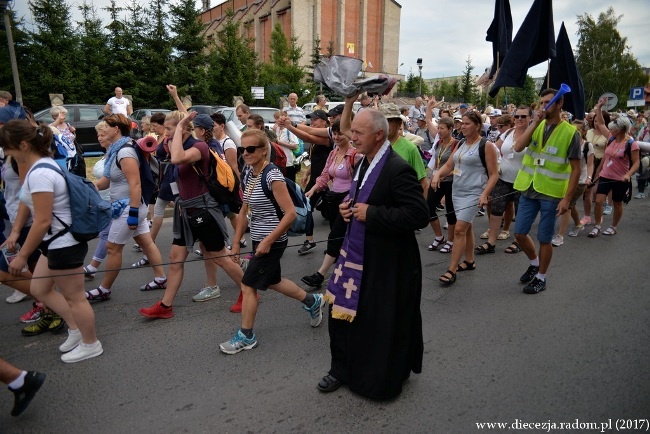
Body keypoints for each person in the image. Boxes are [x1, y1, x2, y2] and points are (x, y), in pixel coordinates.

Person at [318, 108, 429, 399]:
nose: (351, 136)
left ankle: (377, 379)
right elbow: (360, 198)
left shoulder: (397, 168)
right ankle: (341, 369)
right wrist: (347, 207)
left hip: (387, 262)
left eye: (358, 133)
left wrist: (374, 214)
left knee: (378, 323)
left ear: (378, 135)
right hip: (356, 256)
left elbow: (419, 214)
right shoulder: (363, 163)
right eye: (351, 131)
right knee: (340, 315)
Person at [0, 120, 103, 362]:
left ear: (23, 145)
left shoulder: (41, 174)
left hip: (63, 242)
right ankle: (76, 330)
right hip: (54, 242)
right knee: (39, 289)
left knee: (75, 297)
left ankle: (91, 343)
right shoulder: (37, 167)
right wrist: (15, 233)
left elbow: (42, 220)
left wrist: (23, 255)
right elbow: (28, 203)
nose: (5, 153)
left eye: (7, 147)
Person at [219, 129, 325, 354]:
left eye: (250, 149)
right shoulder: (249, 173)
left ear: (263, 150)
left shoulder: (272, 175)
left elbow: (290, 214)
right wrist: (236, 242)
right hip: (258, 237)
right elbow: (244, 209)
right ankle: (312, 301)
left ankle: (246, 336)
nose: (245, 153)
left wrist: (268, 241)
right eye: (242, 149)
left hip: (273, 240)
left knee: (248, 284)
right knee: (273, 280)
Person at [139, 112, 245, 319]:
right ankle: (165, 305)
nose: (166, 134)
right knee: (175, 258)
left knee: (220, 256)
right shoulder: (179, 144)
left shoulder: (200, 147)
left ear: (184, 129)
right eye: (168, 129)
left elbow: (177, 158)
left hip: (203, 210)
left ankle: (248, 292)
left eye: (169, 129)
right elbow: (166, 156)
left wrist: (177, 129)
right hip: (186, 209)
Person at [86, 114, 166, 301]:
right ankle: (160, 278)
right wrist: (89, 186)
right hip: (128, 206)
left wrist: (133, 212)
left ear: (116, 129)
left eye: (106, 126)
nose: (103, 129)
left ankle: (104, 289)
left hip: (128, 207)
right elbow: (108, 181)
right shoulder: (117, 150)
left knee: (113, 248)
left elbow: (135, 184)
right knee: (146, 242)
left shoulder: (125, 152)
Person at [511, 88, 582, 294]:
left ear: (560, 104)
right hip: (529, 187)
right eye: (542, 103)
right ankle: (534, 264)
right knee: (520, 232)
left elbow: (576, 169)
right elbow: (517, 148)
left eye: (548, 102)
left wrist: (567, 199)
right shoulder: (537, 125)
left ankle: (541, 277)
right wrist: (533, 122)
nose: (544, 106)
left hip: (551, 192)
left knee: (544, 237)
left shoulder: (571, 133)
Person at [433, 111, 499, 285]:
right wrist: (437, 175)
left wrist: (485, 194)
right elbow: (449, 165)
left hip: (474, 193)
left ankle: (451, 269)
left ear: (477, 126)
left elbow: (494, 175)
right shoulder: (461, 143)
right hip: (457, 191)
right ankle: (469, 261)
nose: (462, 126)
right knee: (467, 227)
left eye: (467, 123)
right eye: (462, 123)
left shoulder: (487, 145)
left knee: (460, 229)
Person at [301, 120, 360, 288]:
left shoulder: (356, 154)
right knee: (342, 238)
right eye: (334, 133)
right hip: (333, 199)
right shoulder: (334, 153)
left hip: (348, 202)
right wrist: (314, 189)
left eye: (340, 133)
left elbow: (359, 181)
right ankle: (347, 270)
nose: (336, 136)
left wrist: (350, 199)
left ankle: (320, 275)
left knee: (335, 236)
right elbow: (325, 174)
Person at [588, 101, 640, 238]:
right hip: (606, 176)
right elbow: (600, 124)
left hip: (620, 178)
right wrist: (599, 107)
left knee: (617, 203)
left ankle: (613, 226)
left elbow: (636, 163)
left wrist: (628, 174)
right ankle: (597, 225)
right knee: (598, 201)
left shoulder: (631, 144)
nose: (610, 130)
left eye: (614, 128)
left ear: (622, 130)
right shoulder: (611, 138)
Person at [552, 120, 594, 245]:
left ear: (584, 131)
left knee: (567, 204)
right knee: (572, 204)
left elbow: (590, 164)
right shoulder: (567, 143)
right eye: (573, 129)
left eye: (578, 130)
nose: (575, 132)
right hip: (566, 179)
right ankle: (578, 224)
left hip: (580, 181)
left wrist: (589, 177)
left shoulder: (587, 146)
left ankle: (560, 236)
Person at [425, 117, 457, 253]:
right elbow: (436, 163)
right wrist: (433, 177)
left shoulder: (456, 144)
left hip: (451, 182)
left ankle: (450, 241)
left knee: (450, 212)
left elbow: (457, 168)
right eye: (438, 128)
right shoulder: (438, 143)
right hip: (437, 181)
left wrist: (442, 175)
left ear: (450, 129)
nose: (439, 131)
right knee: (429, 208)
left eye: (442, 128)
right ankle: (439, 237)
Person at [582, 110, 611, 224]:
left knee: (597, 193)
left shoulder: (608, 135)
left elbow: (607, 153)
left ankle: (598, 215)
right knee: (586, 191)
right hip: (587, 162)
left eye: (599, 121)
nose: (596, 123)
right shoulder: (588, 132)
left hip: (600, 163)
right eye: (594, 121)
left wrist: (600, 169)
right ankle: (587, 216)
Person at [273, 110, 299, 182]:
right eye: (276, 118)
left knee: (289, 182)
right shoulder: (276, 130)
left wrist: (280, 143)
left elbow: (295, 146)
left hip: (288, 162)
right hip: (278, 161)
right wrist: (274, 132)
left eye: (279, 118)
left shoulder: (289, 130)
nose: (277, 120)